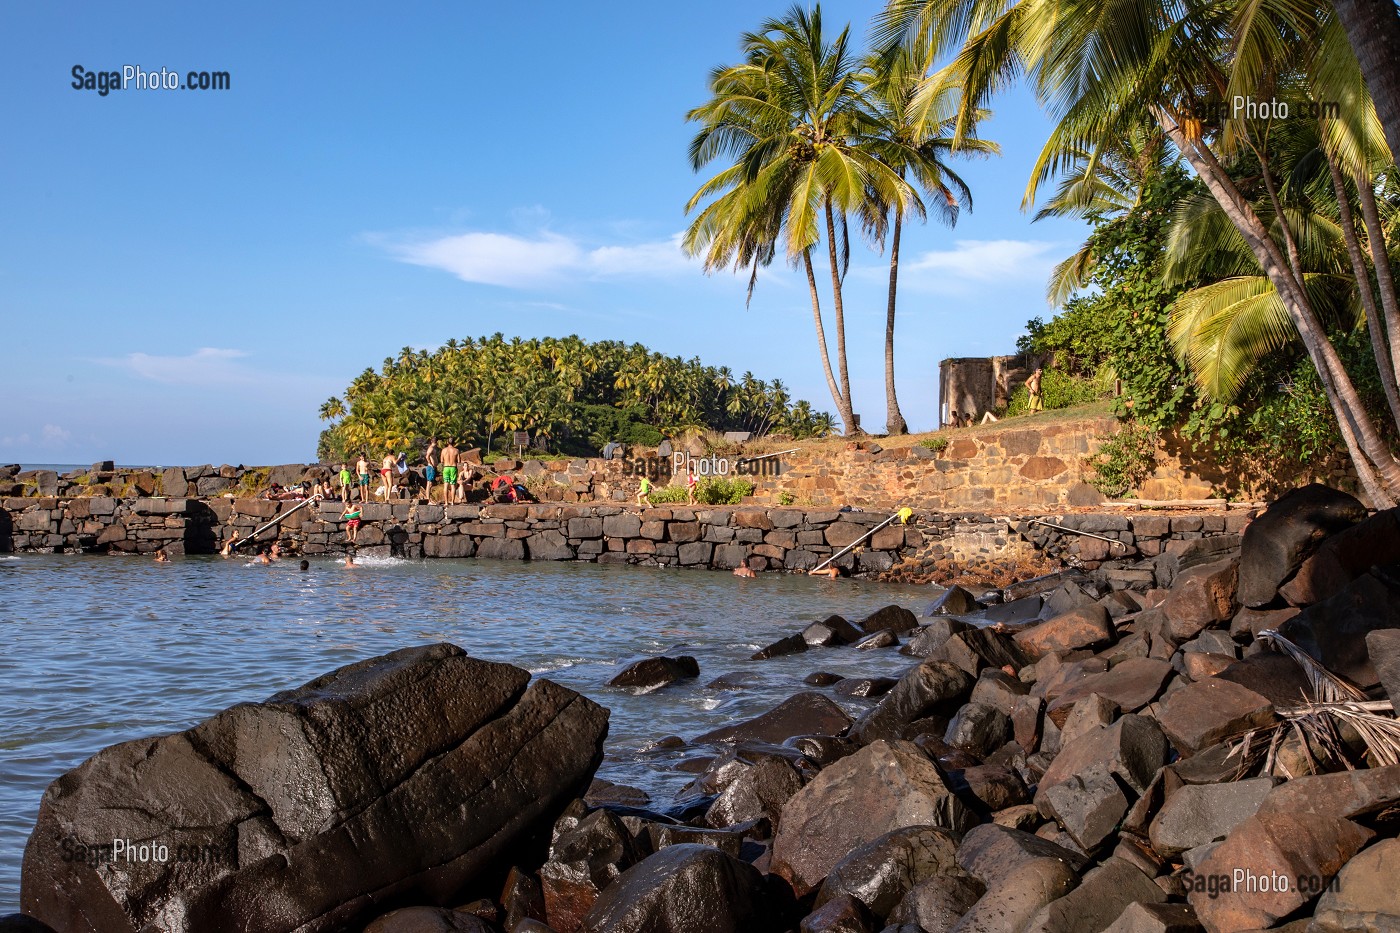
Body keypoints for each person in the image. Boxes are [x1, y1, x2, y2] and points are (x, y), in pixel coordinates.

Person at [441, 439, 460, 505]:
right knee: (453, 486)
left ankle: (446, 502)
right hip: (453, 467)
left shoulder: (443, 450)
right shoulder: (456, 450)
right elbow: (459, 461)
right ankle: (452, 502)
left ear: (447, 442)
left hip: (446, 467)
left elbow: (441, 460)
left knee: (445, 485)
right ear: (454, 443)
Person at [424, 438, 438, 504]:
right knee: (429, 484)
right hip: (430, 467)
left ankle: (429, 498)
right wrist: (431, 464)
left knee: (431, 483)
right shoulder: (431, 448)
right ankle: (428, 500)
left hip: (432, 467)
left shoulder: (434, 448)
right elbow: (427, 456)